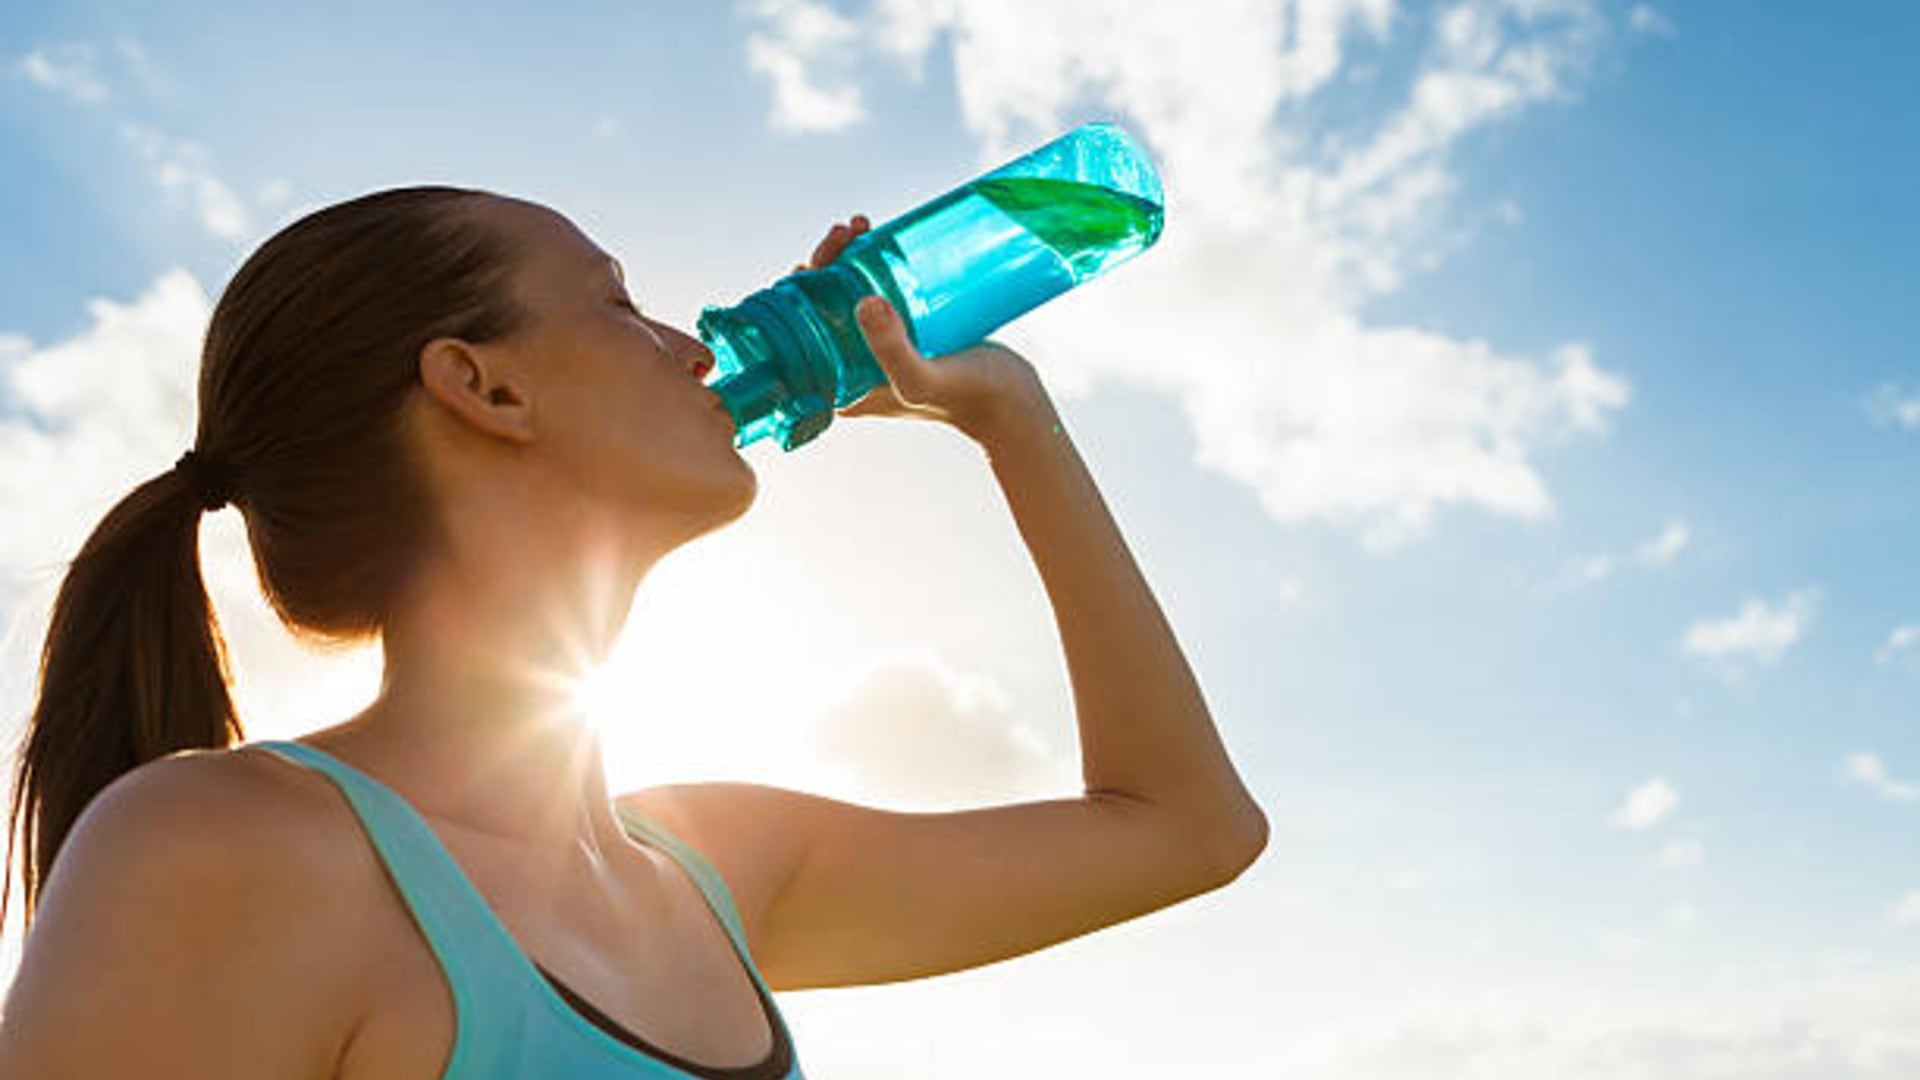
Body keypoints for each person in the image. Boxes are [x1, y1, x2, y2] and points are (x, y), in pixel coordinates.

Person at [0, 186, 1268, 1077]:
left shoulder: (710, 868)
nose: (691, 346)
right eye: (618, 302)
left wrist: (1010, 418)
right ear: (484, 385)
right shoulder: (225, 850)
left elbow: (1190, 830)